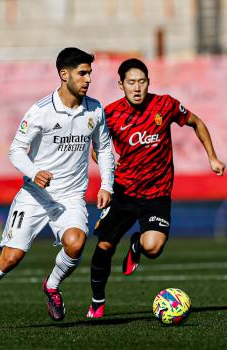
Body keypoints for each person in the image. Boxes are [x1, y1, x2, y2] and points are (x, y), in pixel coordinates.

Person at [0, 47, 114, 330]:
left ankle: (52, 285)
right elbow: (16, 150)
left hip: (70, 197)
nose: (88, 78)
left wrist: (107, 185)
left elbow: (104, 150)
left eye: (89, 73)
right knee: (10, 258)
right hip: (35, 196)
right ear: (63, 75)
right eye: (82, 73)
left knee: (76, 242)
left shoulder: (95, 109)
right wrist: (34, 172)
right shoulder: (40, 111)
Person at [86, 58, 226, 318]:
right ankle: (97, 301)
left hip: (157, 194)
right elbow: (96, 148)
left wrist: (212, 157)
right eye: (131, 82)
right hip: (124, 192)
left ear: (148, 82)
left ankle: (138, 245)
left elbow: (197, 122)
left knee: (154, 248)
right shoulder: (110, 114)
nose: (137, 88)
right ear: (121, 85)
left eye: (141, 81)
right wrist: (107, 168)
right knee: (104, 245)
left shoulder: (165, 105)